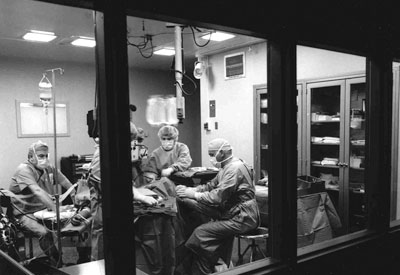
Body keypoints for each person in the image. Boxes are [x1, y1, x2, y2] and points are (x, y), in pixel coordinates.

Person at [176, 138, 260, 274]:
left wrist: (194, 195)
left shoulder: (234, 169)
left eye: (211, 154)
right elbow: (211, 186)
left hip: (243, 217)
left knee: (200, 233)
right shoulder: (226, 166)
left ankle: (206, 265)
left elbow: (217, 197)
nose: (211, 158)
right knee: (185, 200)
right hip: (232, 212)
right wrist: (190, 190)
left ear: (222, 153)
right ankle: (211, 262)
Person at [89, 122, 158, 261]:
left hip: (115, 204)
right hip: (104, 206)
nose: (132, 144)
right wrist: (138, 196)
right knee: (102, 238)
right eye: (130, 140)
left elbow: (123, 178)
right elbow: (109, 184)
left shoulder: (116, 151)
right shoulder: (102, 154)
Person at [8, 140, 76, 267]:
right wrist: (56, 210)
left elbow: (66, 182)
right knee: (44, 232)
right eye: (40, 156)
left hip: (42, 210)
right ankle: (58, 262)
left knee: (74, 223)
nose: (44, 159)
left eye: (46, 156)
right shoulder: (24, 170)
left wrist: (75, 195)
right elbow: (38, 191)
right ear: (30, 157)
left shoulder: (48, 169)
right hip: (23, 213)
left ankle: (79, 258)